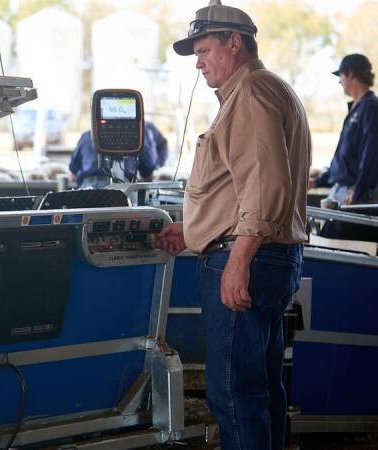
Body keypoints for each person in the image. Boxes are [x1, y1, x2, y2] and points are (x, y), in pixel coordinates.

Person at [155, 1, 310, 449]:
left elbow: (265, 186)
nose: (199, 63)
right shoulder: (268, 90)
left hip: (247, 257)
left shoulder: (251, 95)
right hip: (266, 255)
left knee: (235, 391)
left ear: (235, 43)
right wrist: (194, 227)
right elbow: (242, 186)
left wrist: (238, 260)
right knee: (260, 385)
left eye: (204, 50)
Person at [311, 54, 378, 205]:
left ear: (351, 74)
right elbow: (345, 160)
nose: (339, 81)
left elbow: (371, 154)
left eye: (341, 75)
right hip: (343, 190)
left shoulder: (371, 108)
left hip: (355, 195)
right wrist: (318, 181)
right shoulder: (357, 108)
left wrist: (359, 191)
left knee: (331, 230)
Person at [68, 121, 168, 188]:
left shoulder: (87, 136)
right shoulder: (138, 138)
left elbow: (72, 175)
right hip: (125, 192)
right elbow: (148, 174)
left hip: (87, 191)